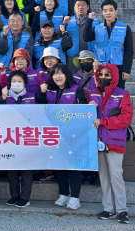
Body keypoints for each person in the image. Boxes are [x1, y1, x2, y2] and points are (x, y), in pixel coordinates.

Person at [35, 63, 86, 210]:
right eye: (54, 74)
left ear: (66, 75)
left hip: (74, 136)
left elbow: (82, 112)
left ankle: (75, 197)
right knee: (61, 165)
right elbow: (39, 105)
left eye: (60, 73)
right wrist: (42, 92)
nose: (57, 76)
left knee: (73, 167)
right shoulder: (50, 91)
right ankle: (63, 194)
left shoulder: (77, 90)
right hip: (56, 136)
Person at [88, 64, 133, 224]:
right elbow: (87, 114)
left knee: (116, 175)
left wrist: (104, 121)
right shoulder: (92, 93)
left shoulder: (122, 94)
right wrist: (89, 108)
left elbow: (126, 118)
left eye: (108, 75)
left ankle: (122, 210)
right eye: (101, 74)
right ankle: (108, 208)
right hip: (98, 141)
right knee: (104, 177)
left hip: (114, 141)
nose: (104, 78)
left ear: (113, 77)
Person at [0, 70, 34, 208]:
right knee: (11, 167)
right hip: (10, 137)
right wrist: (2, 98)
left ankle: (25, 197)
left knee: (26, 168)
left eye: (19, 81)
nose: (16, 84)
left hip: (26, 136)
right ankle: (14, 196)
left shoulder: (32, 96)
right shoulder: (5, 96)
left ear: (25, 83)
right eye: (14, 81)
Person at [84, 0, 134, 89]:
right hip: (101, 66)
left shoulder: (125, 28)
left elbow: (129, 50)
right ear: (102, 12)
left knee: (117, 92)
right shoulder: (97, 28)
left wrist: (126, 70)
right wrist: (90, 20)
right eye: (105, 10)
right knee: (101, 92)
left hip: (118, 65)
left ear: (116, 11)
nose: (108, 13)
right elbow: (86, 37)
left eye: (111, 10)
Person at [64, 0, 99, 71]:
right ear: (74, 7)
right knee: (74, 79)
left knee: (89, 79)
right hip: (73, 56)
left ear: (88, 7)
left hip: (89, 56)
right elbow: (58, 33)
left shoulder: (95, 21)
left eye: (83, 5)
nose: (81, 7)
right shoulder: (68, 21)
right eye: (78, 5)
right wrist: (64, 24)